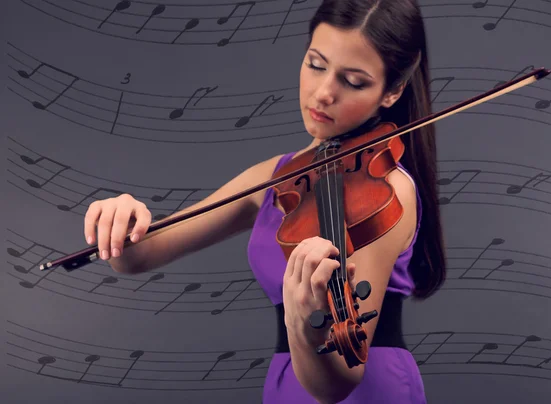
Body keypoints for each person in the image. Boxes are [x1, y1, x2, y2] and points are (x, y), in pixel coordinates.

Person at [83, 0, 446, 402]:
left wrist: (301, 323)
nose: (324, 93)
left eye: (354, 82)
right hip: (288, 386)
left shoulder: (387, 192)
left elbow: (339, 381)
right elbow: (139, 255)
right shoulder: (279, 175)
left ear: (392, 91)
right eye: (316, 63)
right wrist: (122, 219)